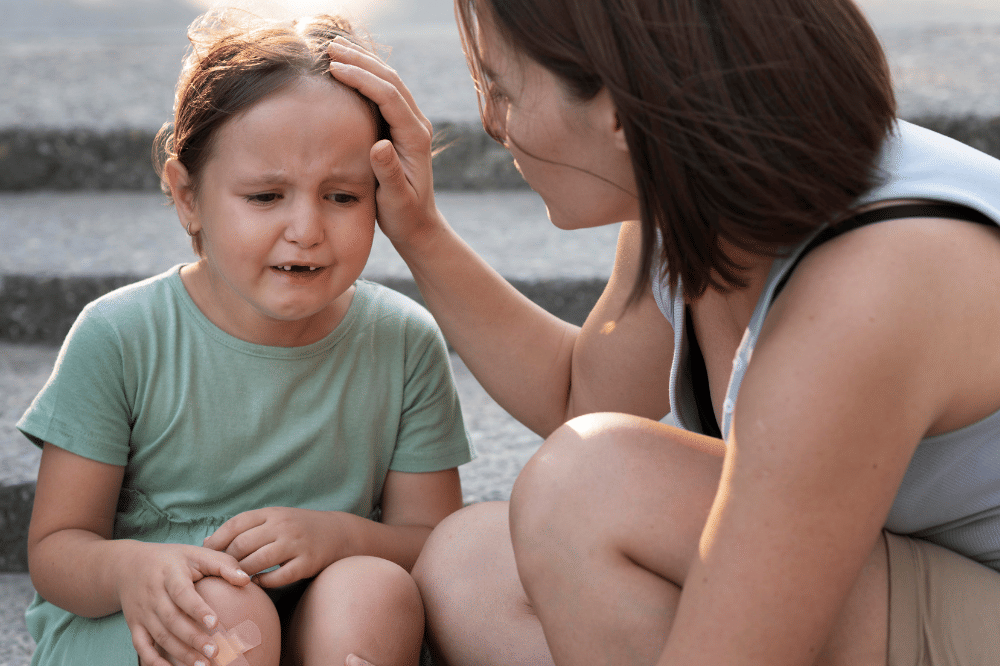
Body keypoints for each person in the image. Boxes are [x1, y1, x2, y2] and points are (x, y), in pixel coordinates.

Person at [325, 0, 1000, 663]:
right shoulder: (698, 199)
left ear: (618, 112)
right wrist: (417, 230)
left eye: (501, 88)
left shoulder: (866, 293)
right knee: (471, 566)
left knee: (587, 491)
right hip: (922, 575)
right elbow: (583, 398)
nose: (489, 122)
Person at [18, 10, 475, 666]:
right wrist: (133, 572)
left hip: (315, 622)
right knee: (228, 614)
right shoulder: (119, 336)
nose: (306, 228)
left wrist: (338, 536)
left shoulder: (403, 341)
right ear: (187, 197)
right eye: (265, 197)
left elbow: (431, 541)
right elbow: (57, 550)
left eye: (342, 197)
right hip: (149, 618)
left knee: (374, 591)